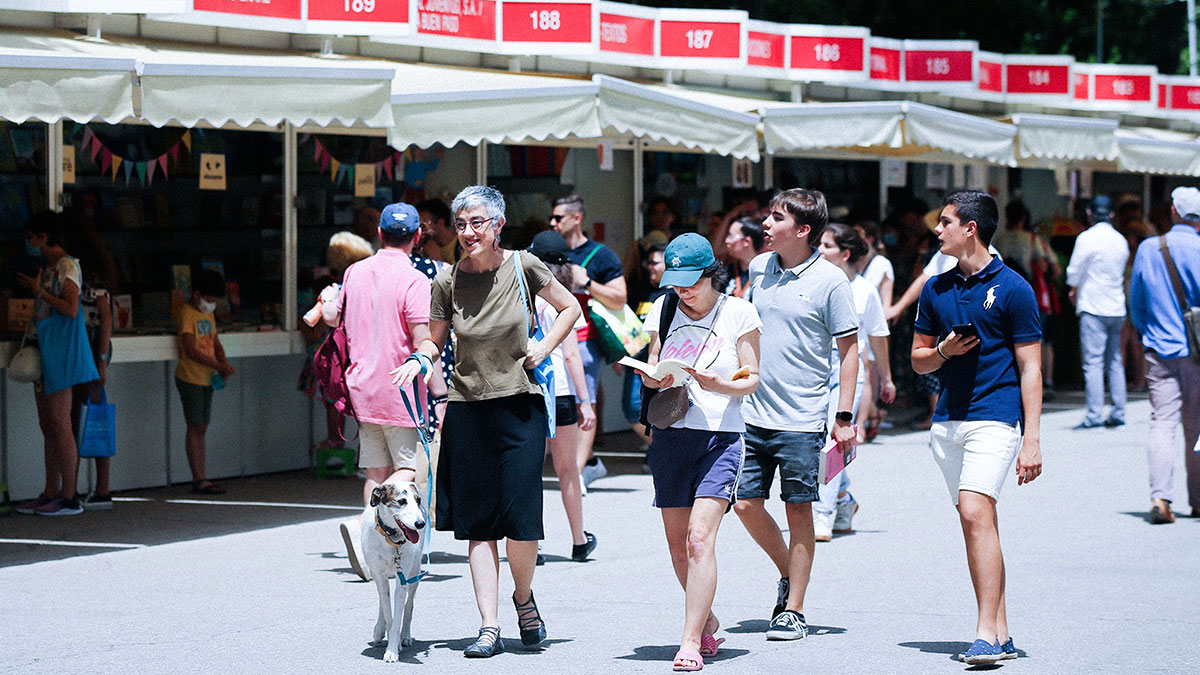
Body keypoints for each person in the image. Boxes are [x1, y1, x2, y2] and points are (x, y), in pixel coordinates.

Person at [391, 185, 581, 658]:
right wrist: (420, 360)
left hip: (521, 405)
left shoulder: (524, 265)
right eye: (461, 224)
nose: (468, 232)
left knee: (521, 521)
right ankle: (489, 626)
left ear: (497, 225)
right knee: (479, 525)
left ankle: (523, 597)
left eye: (478, 223)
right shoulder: (448, 281)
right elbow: (435, 340)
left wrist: (544, 346)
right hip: (468, 408)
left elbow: (571, 308)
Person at [911, 191, 1043, 665]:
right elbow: (918, 356)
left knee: (972, 513)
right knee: (978, 521)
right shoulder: (936, 288)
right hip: (947, 421)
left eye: (945, 222)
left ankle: (985, 632)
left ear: (970, 228)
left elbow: (1031, 368)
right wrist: (945, 352)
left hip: (997, 414)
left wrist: (1032, 438)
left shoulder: (1013, 288)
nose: (937, 230)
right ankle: (1003, 629)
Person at [734, 188, 859, 642]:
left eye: (776, 218)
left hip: (803, 418)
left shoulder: (831, 281)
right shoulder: (757, 268)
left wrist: (843, 415)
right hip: (751, 411)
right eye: (768, 215)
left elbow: (849, 352)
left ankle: (795, 609)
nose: (765, 224)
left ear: (803, 231)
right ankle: (792, 574)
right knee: (744, 503)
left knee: (798, 509)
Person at [640, 233, 761, 671]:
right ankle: (706, 617)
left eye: (691, 281)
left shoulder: (739, 311)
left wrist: (720, 384)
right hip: (672, 434)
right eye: (676, 281)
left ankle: (690, 641)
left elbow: (751, 378)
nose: (683, 290)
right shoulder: (664, 308)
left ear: (712, 272)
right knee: (676, 546)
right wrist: (653, 378)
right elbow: (655, 364)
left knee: (698, 539)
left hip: (720, 437)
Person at [320, 203, 436, 582]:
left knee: (375, 470)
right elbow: (422, 341)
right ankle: (363, 527)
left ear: (381, 235)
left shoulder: (354, 272)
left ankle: (374, 547)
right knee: (406, 469)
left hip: (361, 386)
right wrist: (438, 386)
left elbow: (334, 318)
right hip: (401, 389)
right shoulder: (415, 279)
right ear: (418, 236)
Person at [813, 223, 896, 540]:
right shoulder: (815, 283)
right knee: (815, 441)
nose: (818, 251)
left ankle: (823, 512)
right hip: (816, 367)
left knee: (835, 440)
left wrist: (886, 378)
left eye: (826, 246)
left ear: (845, 254)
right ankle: (844, 498)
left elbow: (878, 337)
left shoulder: (864, 290)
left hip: (849, 368)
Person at [13, 213, 99, 517]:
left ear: (43, 237)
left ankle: (69, 495)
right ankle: (50, 491)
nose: (29, 243)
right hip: (45, 349)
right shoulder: (49, 267)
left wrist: (40, 293)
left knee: (61, 425)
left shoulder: (67, 266)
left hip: (61, 353)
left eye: (32, 237)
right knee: (48, 424)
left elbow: (71, 309)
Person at [1128, 186, 1200, 524]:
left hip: (1159, 348)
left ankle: (1160, 498)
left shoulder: (1148, 249)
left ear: (1173, 211)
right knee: (1196, 427)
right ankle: (1198, 500)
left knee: (1162, 422)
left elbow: (1137, 302)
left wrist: (1148, 334)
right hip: (1198, 353)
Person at [528, 230, 598, 562]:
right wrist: (586, 401)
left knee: (530, 469)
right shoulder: (564, 301)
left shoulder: (522, 296)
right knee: (567, 469)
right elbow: (572, 356)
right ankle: (578, 539)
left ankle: (531, 543)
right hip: (562, 394)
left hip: (528, 389)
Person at [551, 194, 627, 488]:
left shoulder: (601, 255)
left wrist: (587, 283)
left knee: (586, 401)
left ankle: (579, 472)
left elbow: (620, 298)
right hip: (550, 338)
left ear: (577, 218)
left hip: (584, 340)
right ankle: (589, 461)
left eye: (558, 218)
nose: (553, 223)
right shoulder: (546, 250)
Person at [299, 231, 374, 449]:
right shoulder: (364, 285)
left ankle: (335, 440)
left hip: (338, 358)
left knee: (333, 402)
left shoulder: (335, 291)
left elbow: (314, 323)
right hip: (358, 355)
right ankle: (355, 447)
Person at [1066, 195, 1129, 429]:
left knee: (1093, 362)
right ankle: (1119, 411)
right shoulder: (1120, 240)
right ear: (1111, 214)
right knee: (1115, 360)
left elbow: (1074, 272)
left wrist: (1073, 290)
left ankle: (1093, 415)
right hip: (1116, 306)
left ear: (1090, 214)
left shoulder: (1086, 238)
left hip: (1093, 305)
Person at [68, 220, 117, 510]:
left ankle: (98, 488)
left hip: (92, 345)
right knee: (88, 416)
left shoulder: (89, 273)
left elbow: (105, 316)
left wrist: (101, 361)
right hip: (91, 345)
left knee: (87, 416)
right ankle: (94, 488)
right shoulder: (95, 268)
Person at [174, 268, 234, 496]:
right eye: (209, 299)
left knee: (201, 427)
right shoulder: (187, 313)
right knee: (195, 426)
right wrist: (218, 366)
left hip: (207, 377)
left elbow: (215, 342)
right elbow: (190, 349)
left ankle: (202, 476)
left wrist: (223, 364)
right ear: (197, 294)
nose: (211, 304)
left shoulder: (207, 314)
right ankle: (198, 477)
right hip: (190, 377)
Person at [994, 201, 1063, 398]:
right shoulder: (1033, 240)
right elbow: (1047, 267)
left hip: (1004, 295)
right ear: (1024, 218)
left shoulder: (1000, 240)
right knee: (1039, 339)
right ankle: (1044, 381)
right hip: (1031, 296)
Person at [620, 244, 669, 451]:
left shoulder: (675, 296)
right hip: (638, 361)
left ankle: (662, 450)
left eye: (655, 263)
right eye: (648, 263)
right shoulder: (644, 291)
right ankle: (660, 448)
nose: (650, 267)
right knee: (632, 408)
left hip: (662, 364)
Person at [724, 216, 767, 298]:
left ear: (746, 241)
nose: (727, 241)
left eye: (731, 236)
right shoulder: (727, 271)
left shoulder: (764, 273)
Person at [417, 197, 459, 263]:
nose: (421, 229)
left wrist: (438, 260)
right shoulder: (425, 246)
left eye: (424, 223)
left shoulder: (463, 246)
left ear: (440, 223)